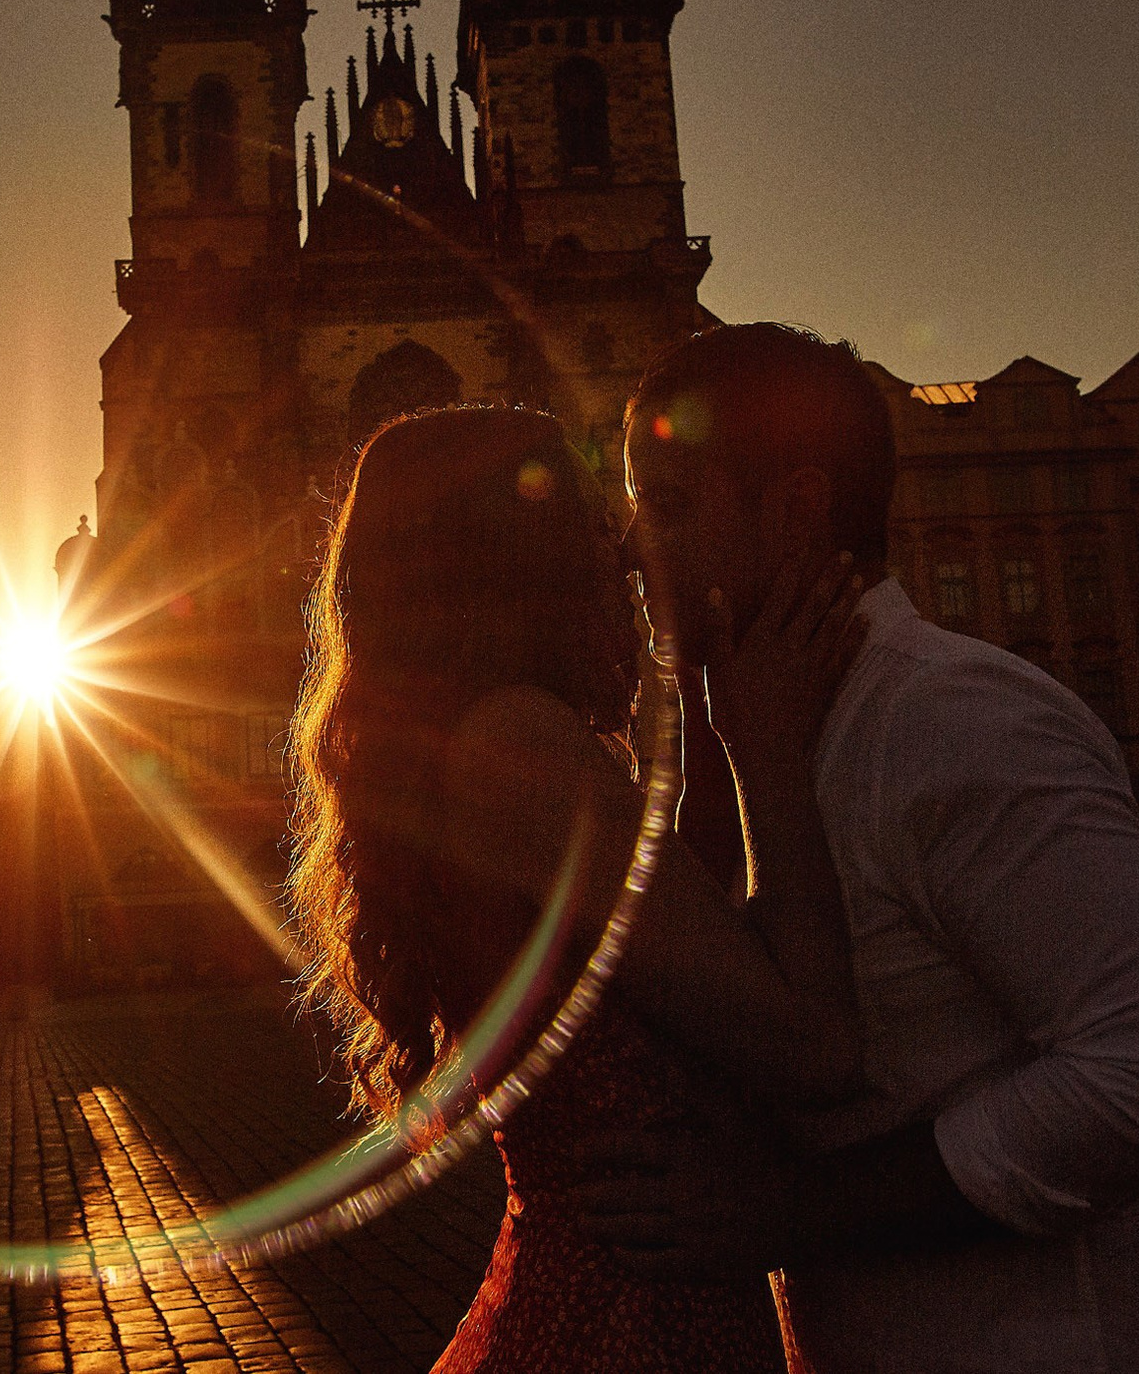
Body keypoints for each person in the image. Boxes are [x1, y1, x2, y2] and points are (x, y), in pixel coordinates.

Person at [582, 322, 1139, 1374]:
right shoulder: (757, 724)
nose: (628, 546)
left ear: (798, 512)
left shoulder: (951, 715)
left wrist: (791, 1211)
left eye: (664, 502)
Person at [286, 404, 871, 1374]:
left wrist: (691, 695)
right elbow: (814, 1046)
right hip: (628, 1316)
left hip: (588, 1285)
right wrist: (767, 752)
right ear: (527, 549)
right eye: (598, 521)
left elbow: (671, 926)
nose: (629, 551)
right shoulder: (519, 743)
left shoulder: (461, 740)